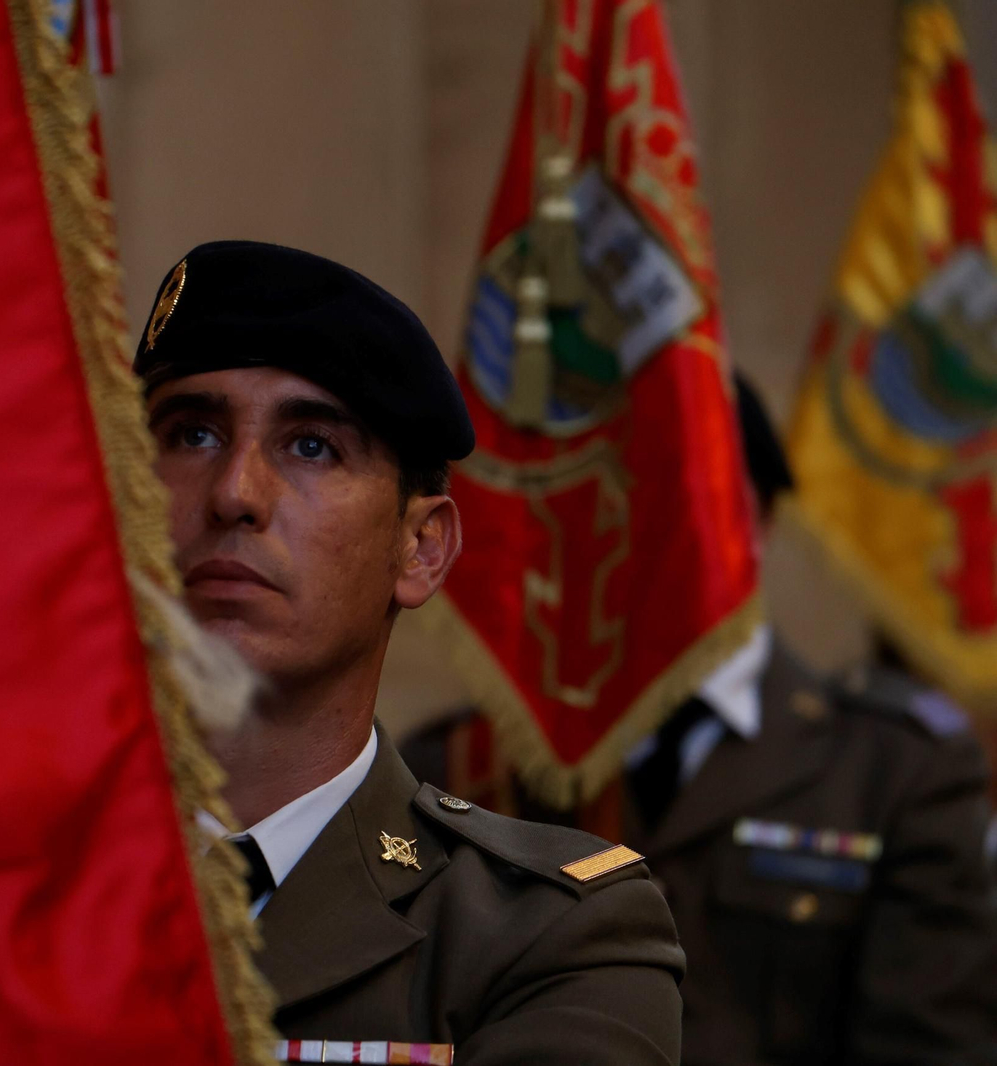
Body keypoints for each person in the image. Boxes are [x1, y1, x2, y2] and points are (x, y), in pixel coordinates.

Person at [136, 240, 685, 1064]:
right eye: (192, 434)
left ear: (422, 549)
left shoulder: (547, 932)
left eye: (312, 445)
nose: (234, 493)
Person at [404, 374, 997, 1066]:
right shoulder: (467, 763)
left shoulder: (895, 768)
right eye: (613, 497)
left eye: (689, 494)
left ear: (760, 523)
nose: (653, 530)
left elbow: (932, 1046)